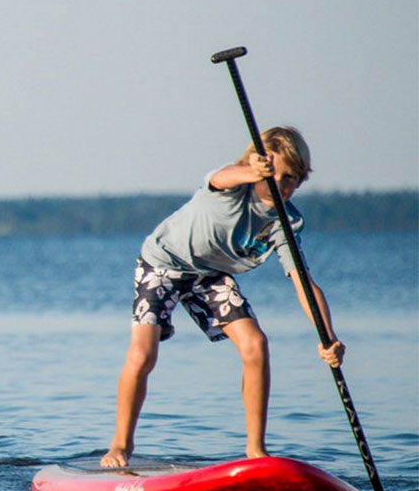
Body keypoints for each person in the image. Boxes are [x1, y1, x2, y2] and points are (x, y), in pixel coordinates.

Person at [100, 126, 346, 468]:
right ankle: (119, 447)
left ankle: (256, 451)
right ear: (257, 165)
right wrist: (250, 171)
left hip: (210, 276)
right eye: (274, 175)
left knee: (255, 344)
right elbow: (219, 176)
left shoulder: (285, 222)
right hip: (164, 263)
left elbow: (303, 282)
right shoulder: (233, 187)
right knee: (143, 354)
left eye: (291, 178)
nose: (283, 186)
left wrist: (329, 338)